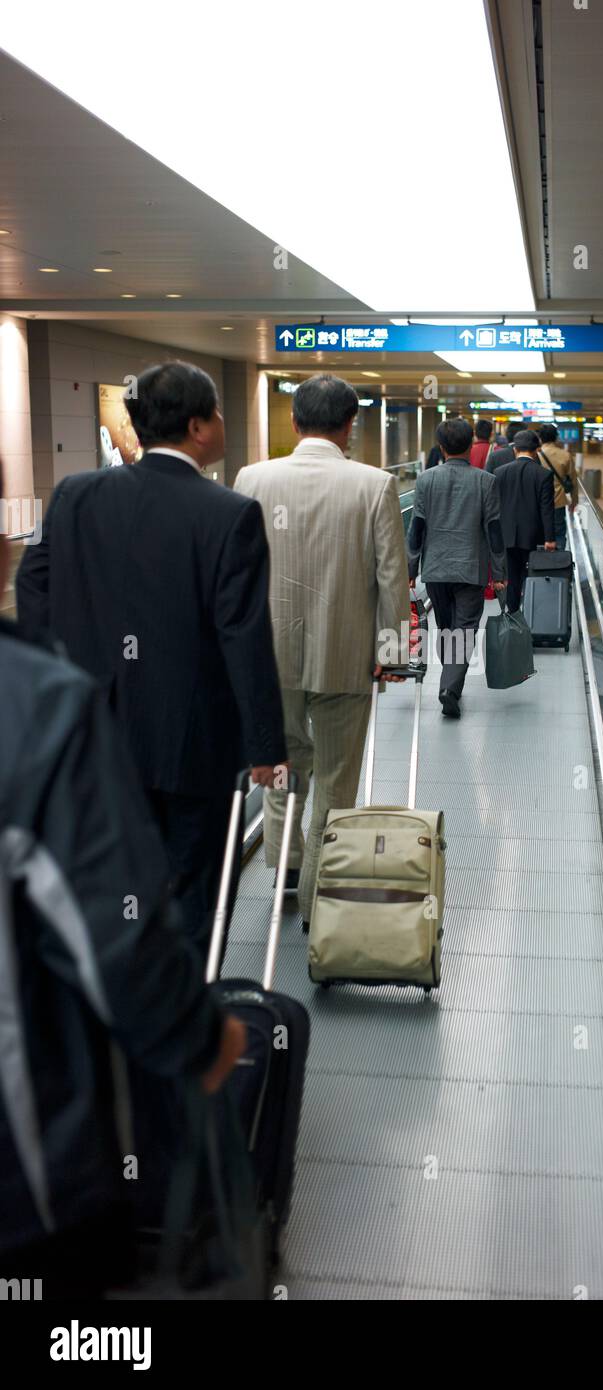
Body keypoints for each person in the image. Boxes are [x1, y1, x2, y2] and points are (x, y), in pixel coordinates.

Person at [0, 458, 246, 1299]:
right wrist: (201, 1038)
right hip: (26, 1184)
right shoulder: (32, 709)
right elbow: (116, 940)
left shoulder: (72, 504)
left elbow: (41, 581)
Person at [16, 361, 286, 961]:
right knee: (193, 892)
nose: (219, 423)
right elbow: (242, 635)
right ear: (197, 427)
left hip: (89, 737)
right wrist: (266, 746)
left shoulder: (74, 496)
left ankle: (112, 1012)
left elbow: (33, 586)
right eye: (217, 413)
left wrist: (56, 685)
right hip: (191, 746)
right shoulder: (227, 514)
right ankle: (186, 1026)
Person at [234, 374, 411, 931]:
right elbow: (392, 579)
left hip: (269, 658)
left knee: (284, 764)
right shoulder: (373, 485)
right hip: (347, 656)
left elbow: (235, 575)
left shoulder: (251, 478)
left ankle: (286, 868)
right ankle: (319, 895)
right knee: (336, 778)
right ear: (349, 425)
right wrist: (392, 653)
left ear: (294, 421)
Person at [407, 416, 507, 720]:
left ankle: (451, 684)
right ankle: (450, 687)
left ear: (441, 447)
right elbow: (494, 532)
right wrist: (500, 574)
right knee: (464, 630)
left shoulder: (425, 480)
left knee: (447, 628)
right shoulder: (486, 481)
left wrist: (410, 570)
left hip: (435, 569)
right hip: (471, 569)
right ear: (470, 444)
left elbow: (416, 529)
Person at [494, 429, 556, 613]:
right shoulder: (544, 475)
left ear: (515, 450)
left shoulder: (499, 472)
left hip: (507, 535)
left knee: (512, 577)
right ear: (536, 450)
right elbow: (547, 509)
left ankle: (512, 613)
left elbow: (495, 506)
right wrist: (550, 538)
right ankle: (532, 612)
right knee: (532, 575)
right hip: (533, 536)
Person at [537, 422, 578, 549]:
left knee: (540, 532)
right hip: (558, 501)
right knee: (559, 533)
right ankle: (559, 562)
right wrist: (574, 501)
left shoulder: (535, 455)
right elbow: (573, 480)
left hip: (538, 501)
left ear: (540, 438)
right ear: (556, 437)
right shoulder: (565, 455)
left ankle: (541, 562)